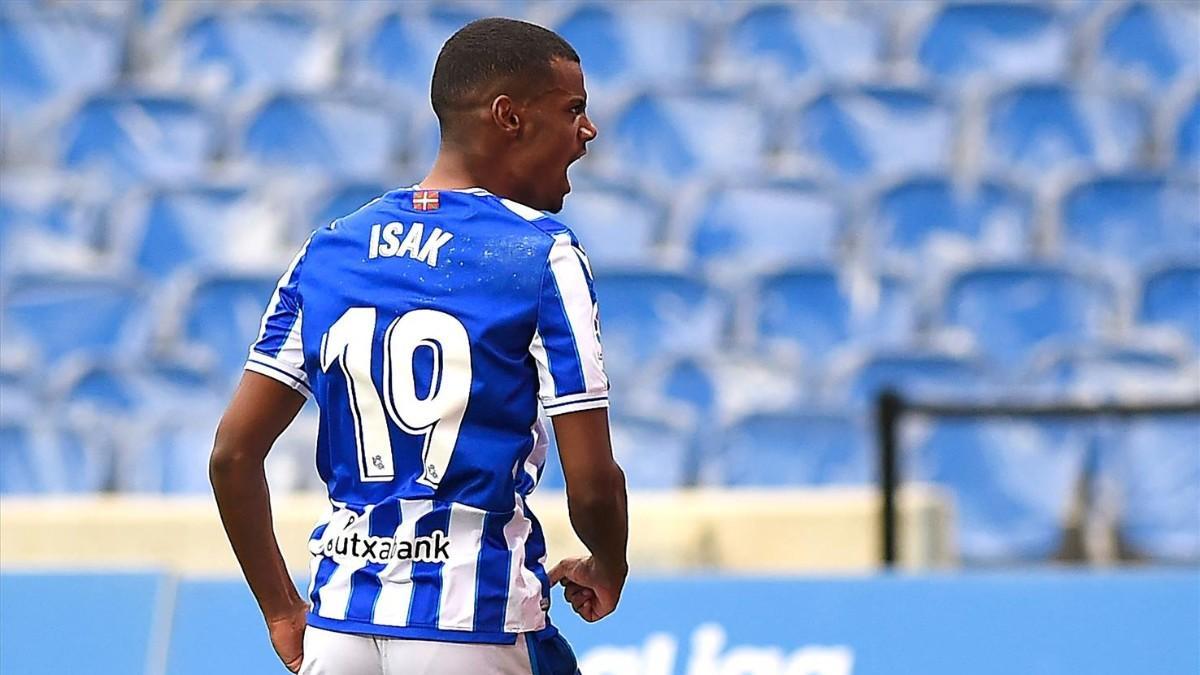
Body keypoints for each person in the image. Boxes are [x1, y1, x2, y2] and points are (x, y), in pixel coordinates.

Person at [209, 17, 628, 675]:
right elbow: (594, 485)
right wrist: (609, 561)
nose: (588, 130)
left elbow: (233, 454)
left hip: (339, 628)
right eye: (572, 109)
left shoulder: (328, 249)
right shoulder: (540, 254)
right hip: (472, 622)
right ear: (508, 117)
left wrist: (281, 609)